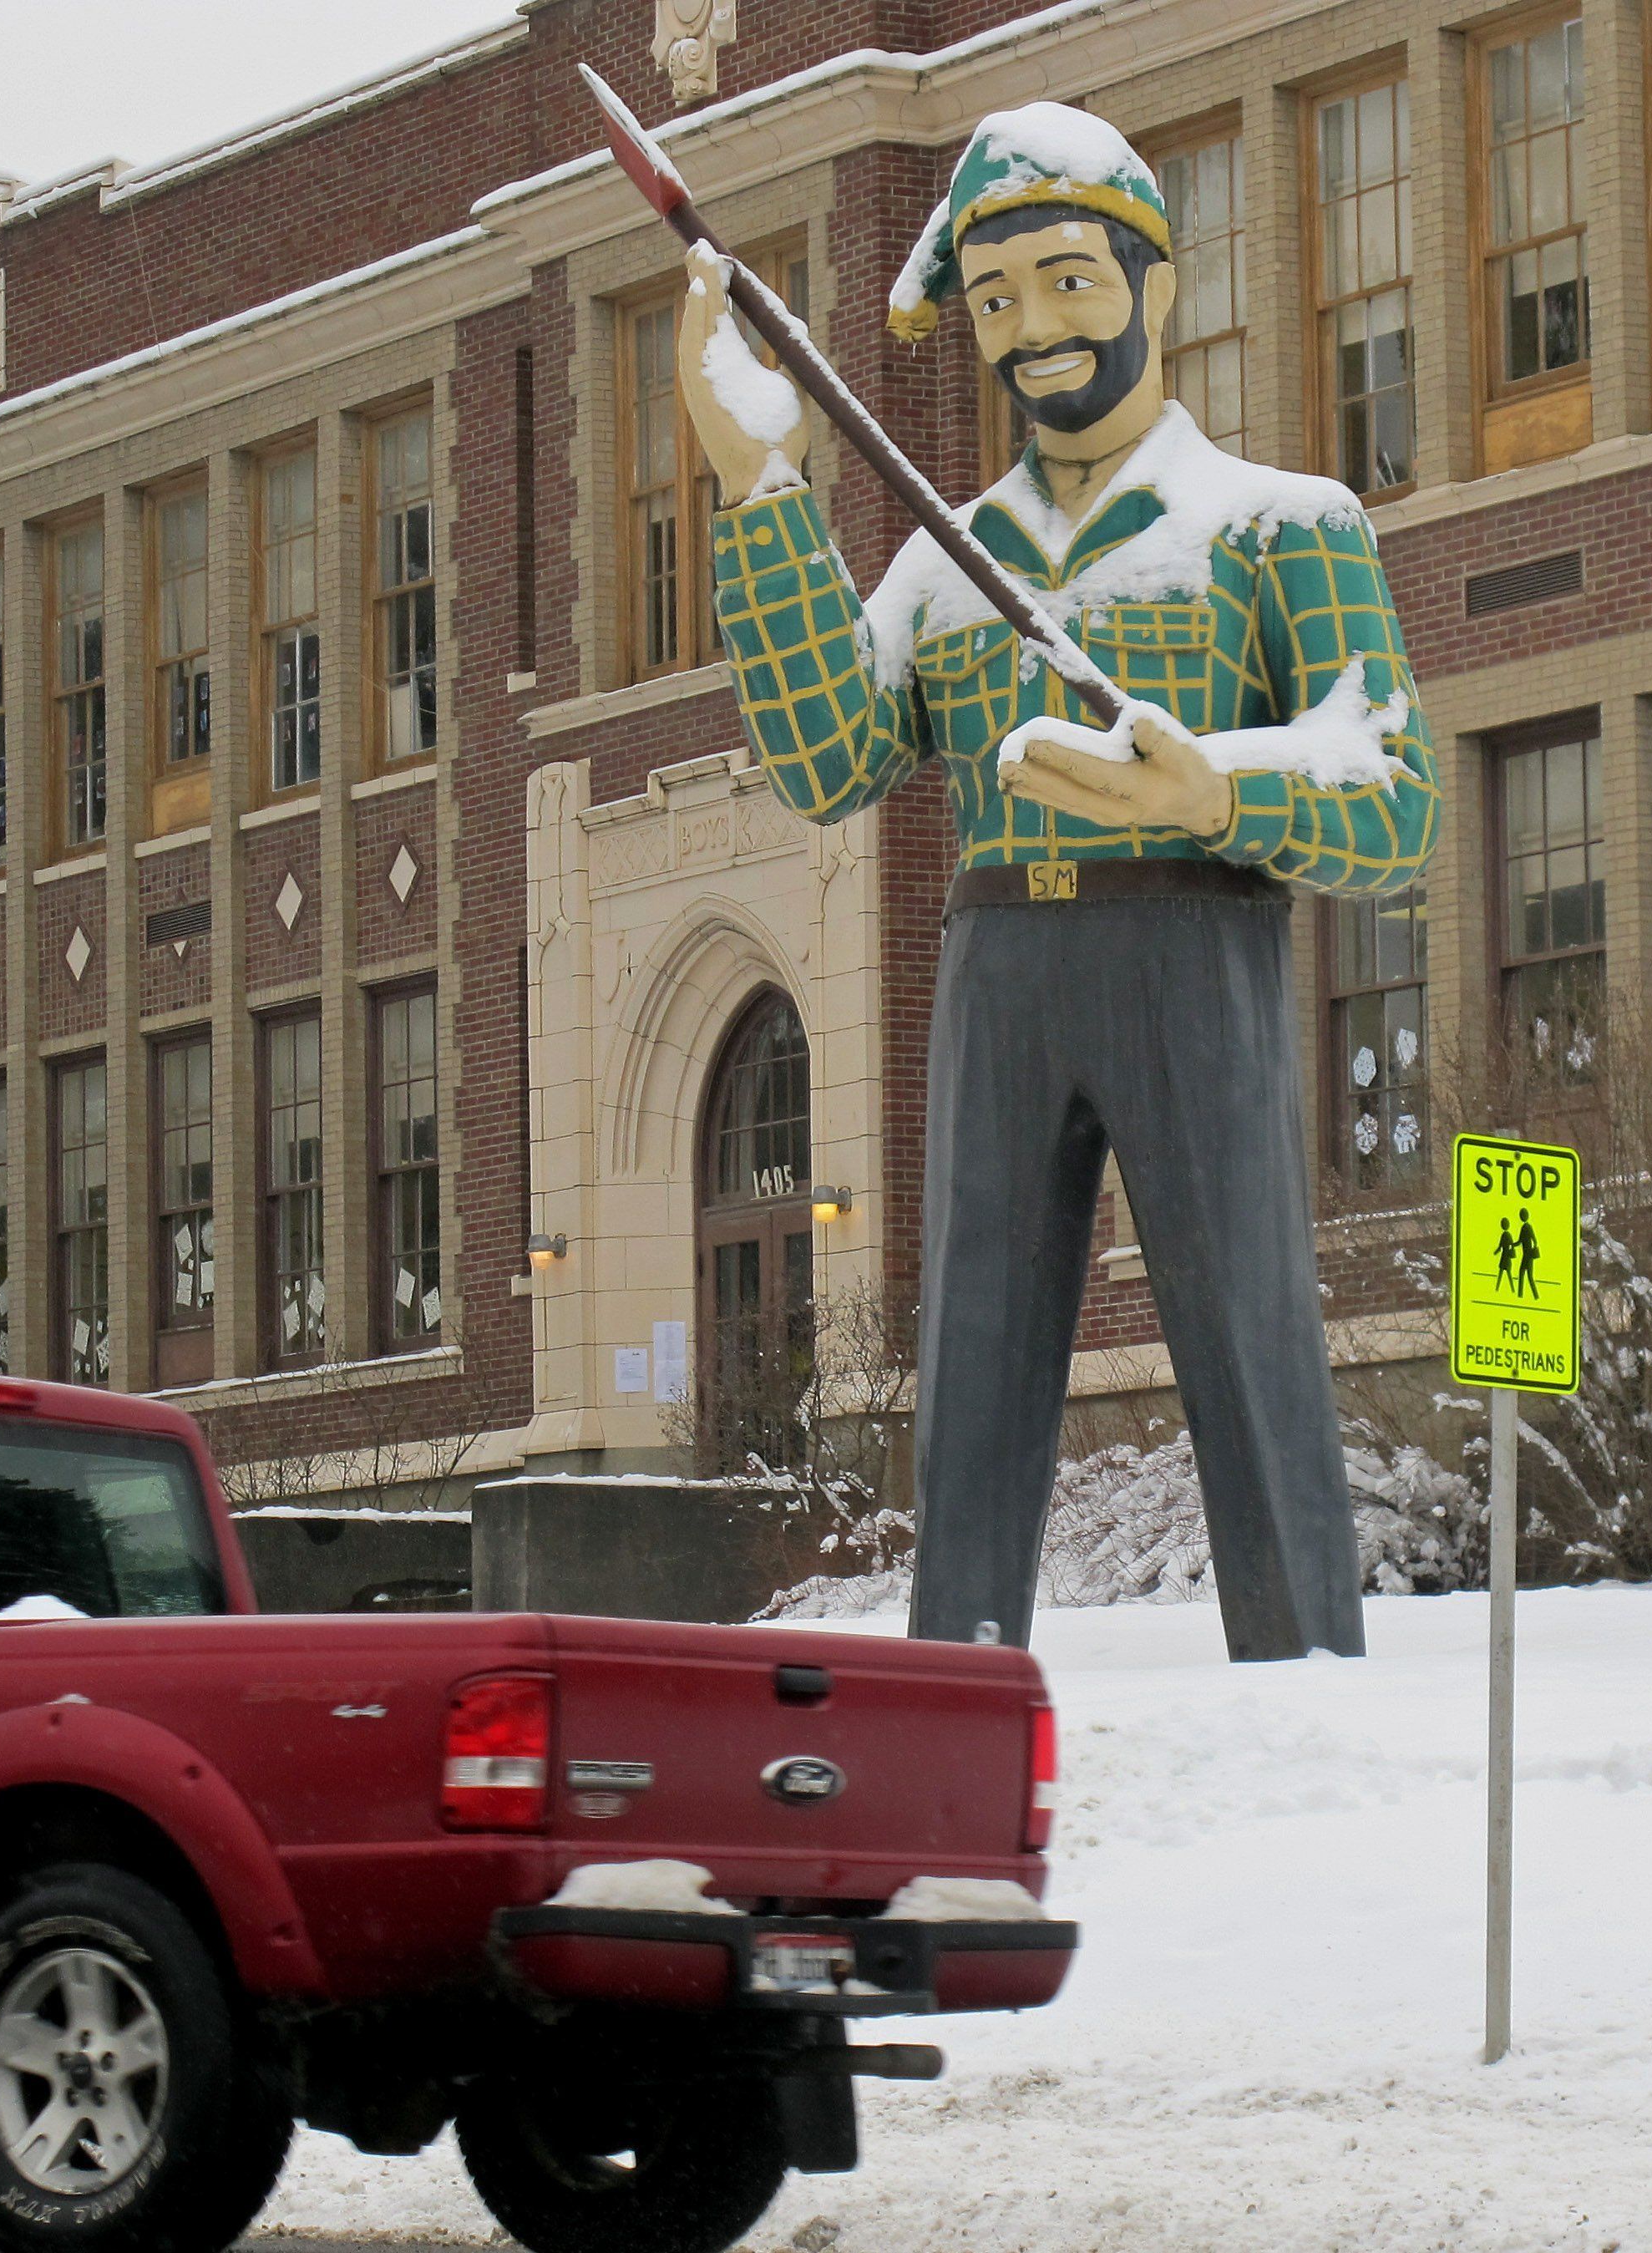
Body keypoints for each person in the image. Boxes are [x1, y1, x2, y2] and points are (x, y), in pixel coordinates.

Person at [676, 103, 1438, 1662]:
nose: (1035, 330)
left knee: (1245, 1327)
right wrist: (762, 491)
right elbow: (828, 759)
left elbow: (1394, 792)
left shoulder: (1286, 530)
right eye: (999, 299)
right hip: (998, 968)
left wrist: (1217, 787)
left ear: (1155, 288)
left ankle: (1304, 1687)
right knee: (974, 1357)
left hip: (1193, 948)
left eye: (1072, 283)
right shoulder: (946, 560)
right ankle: (948, 1685)